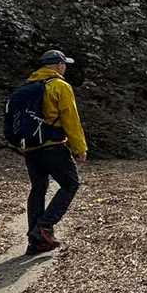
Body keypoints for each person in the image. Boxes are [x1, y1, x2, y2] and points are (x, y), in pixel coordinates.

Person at [19, 49, 88, 255]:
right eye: (64, 64)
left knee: (38, 188)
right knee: (70, 184)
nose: (65, 67)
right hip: (53, 146)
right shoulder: (59, 86)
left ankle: (35, 242)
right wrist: (79, 148)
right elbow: (70, 119)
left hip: (31, 148)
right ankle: (44, 227)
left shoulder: (26, 87)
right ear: (58, 65)